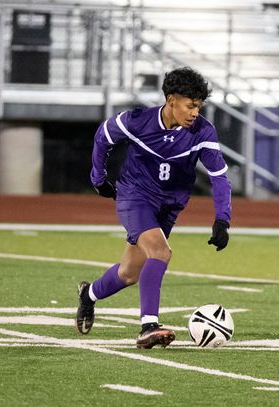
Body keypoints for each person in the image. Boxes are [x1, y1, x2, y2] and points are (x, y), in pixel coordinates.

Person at [75, 67, 232, 348]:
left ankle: (89, 295)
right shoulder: (137, 121)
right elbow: (103, 137)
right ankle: (148, 325)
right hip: (134, 196)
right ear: (171, 100)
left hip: (170, 206)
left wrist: (223, 219)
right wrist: (98, 179)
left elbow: (219, 177)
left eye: (199, 106)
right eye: (190, 105)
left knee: (129, 273)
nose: (196, 112)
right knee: (161, 252)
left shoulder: (203, 131)